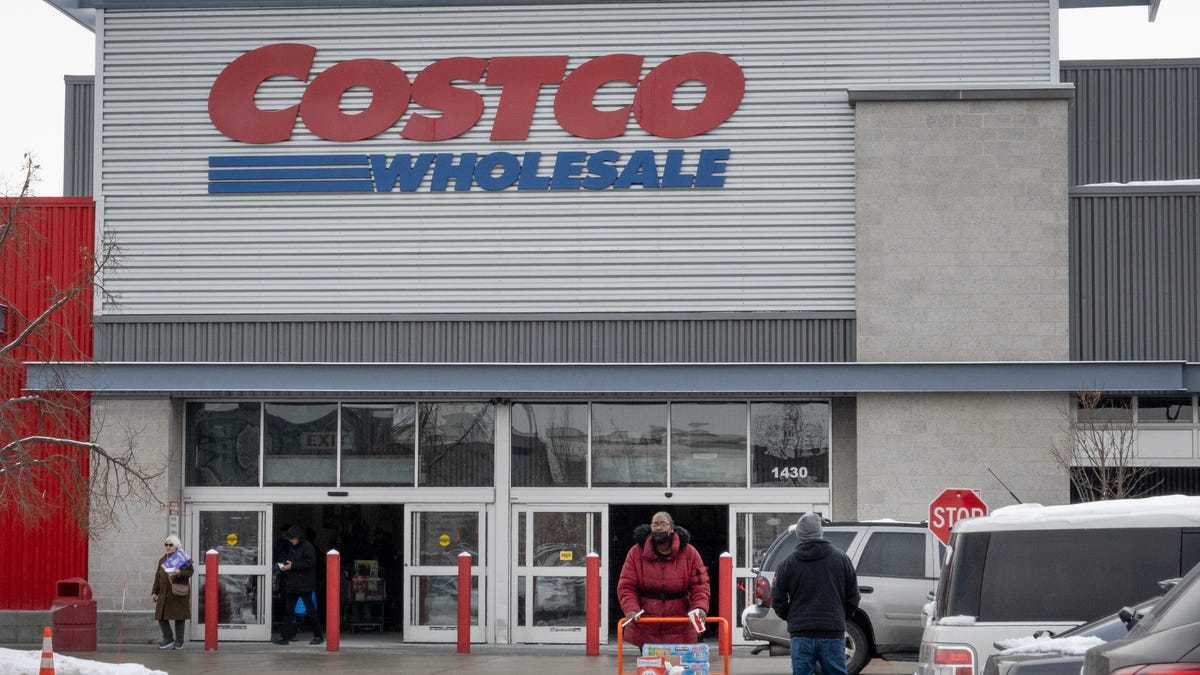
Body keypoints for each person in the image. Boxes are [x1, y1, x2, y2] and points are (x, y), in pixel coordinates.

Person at [771, 514, 860, 675]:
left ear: (799, 534)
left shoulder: (787, 563)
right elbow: (853, 596)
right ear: (820, 532)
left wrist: (792, 616)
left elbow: (777, 599)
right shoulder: (841, 560)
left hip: (801, 633)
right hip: (832, 631)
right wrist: (841, 616)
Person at [616, 511, 710, 647]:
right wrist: (631, 609)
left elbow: (700, 586)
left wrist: (699, 607)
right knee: (650, 668)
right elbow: (626, 586)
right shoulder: (635, 552)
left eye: (663, 524)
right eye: (655, 524)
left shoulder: (690, 553)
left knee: (677, 668)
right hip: (646, 623)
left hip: (680, 624)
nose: (658, 528)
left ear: (672, 528)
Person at [273, 525, 324, 645]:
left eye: (292, 538)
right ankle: (285, 637)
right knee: (288, 611)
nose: (291, 541)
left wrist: (292, 565)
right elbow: (291, 560)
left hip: (305, 584)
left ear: (298, 537)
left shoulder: (308, 547)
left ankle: (318, 636)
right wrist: (286, 565)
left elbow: (311, 563)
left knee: (310, 611)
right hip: (293, 584)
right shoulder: (292, 547)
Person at [151, 535, 194, 650]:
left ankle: (179, 641)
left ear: (176, 546)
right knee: (160, 616)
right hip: (164, 593)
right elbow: (157, 577)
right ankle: (168, 638)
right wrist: (154, 592)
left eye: (170, 545)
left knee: (179, 618)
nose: (168, 547)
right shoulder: (162, 560)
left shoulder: (182, 558)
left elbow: (190, 572)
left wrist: (179, 572)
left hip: (177, 592)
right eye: (166, 545)